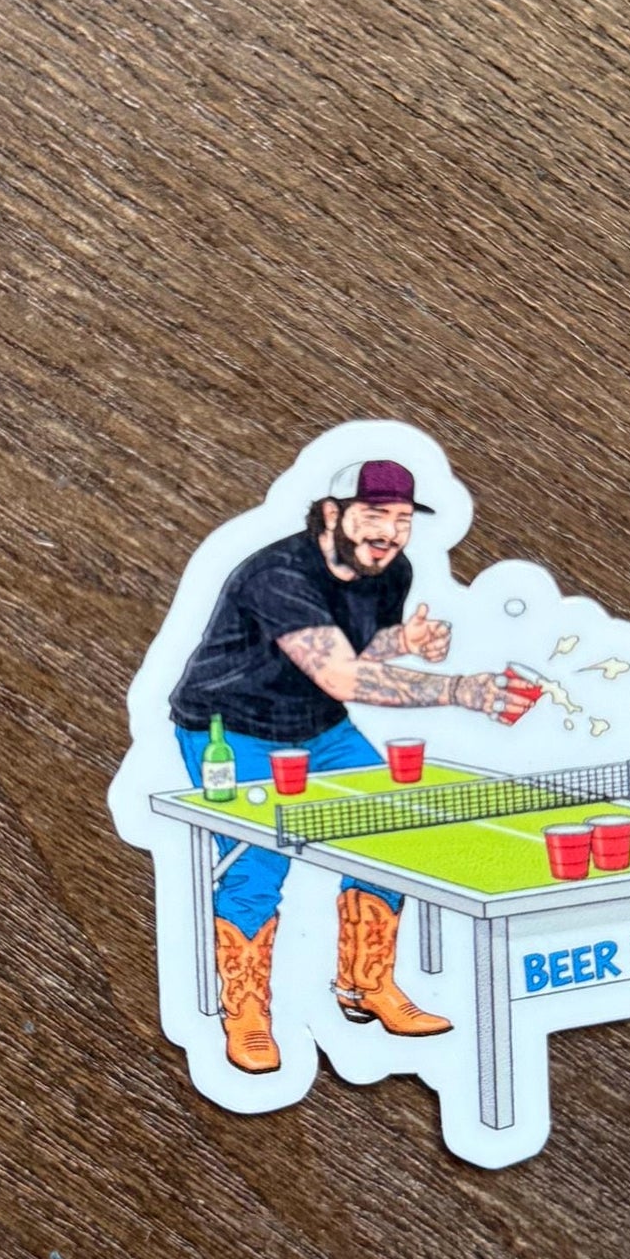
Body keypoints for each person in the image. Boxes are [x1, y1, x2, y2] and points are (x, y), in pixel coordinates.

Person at [170, 458, 513, 1073]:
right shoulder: (277, 574)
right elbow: (341, 674)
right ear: (331, 514)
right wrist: (460, 690)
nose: (390, 532)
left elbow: (354, 644)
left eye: (402, 519)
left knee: (393, 834)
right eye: (375, 514)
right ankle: (246, 1014)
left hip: (320, 728)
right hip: (232, 731)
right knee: (258, 861)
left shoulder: (391, 570)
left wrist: (404, 643)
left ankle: (366, 986)